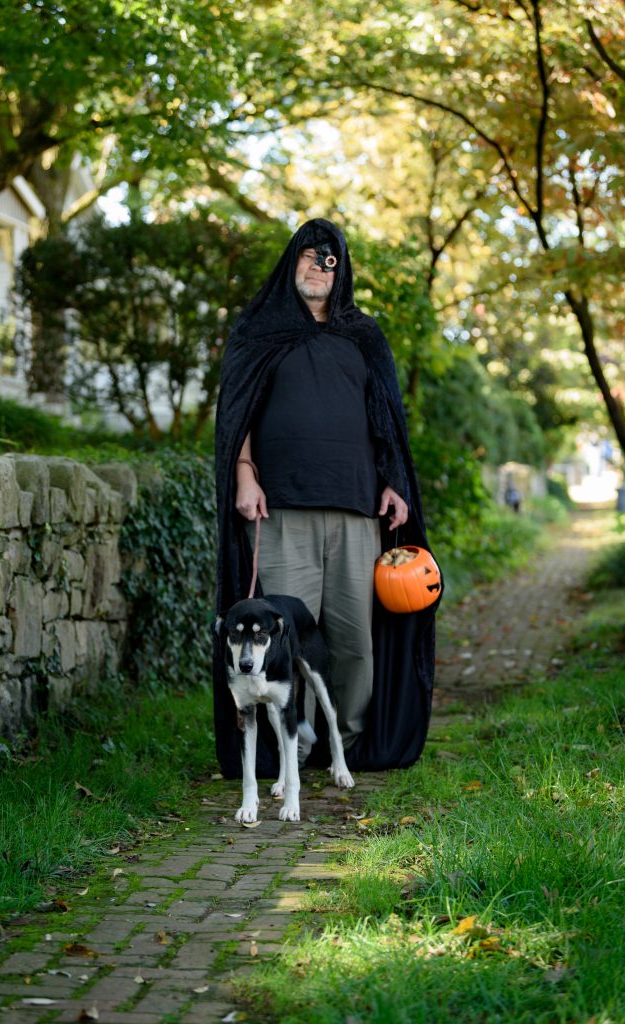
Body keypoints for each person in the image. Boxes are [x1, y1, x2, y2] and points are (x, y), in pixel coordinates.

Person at [213, 218, 440, 780]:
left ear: (342, 274)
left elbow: (387, 419)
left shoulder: (363, 336)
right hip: (281, 510)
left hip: (356, 508)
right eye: (311, 256)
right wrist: (245, 473)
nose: (319, 266)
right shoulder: (257, 333)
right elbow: (235, 415)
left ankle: (352, 742)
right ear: (292, 262)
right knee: (286, 638)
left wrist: (395, 483)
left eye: (331, 260)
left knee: (354, 641)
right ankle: (297, 746)